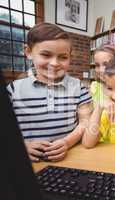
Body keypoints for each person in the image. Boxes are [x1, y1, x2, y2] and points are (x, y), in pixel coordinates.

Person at [7, 23, 92, 162]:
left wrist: (67, 142)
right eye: (46, 55)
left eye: (63, 57)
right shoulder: (14, 89)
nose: (54, 63)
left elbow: (85, 122)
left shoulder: (78, 87)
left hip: (70, 158)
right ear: (28, 52)